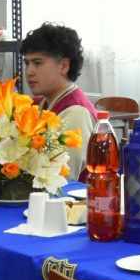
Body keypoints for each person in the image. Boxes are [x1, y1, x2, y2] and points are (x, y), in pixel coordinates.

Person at [20, 22, 96, 181]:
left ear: (64, 66)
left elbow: (61, 180)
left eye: (37, 63)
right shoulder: (38, 103)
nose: (29, 71)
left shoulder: (76, 112)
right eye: (27, 63)